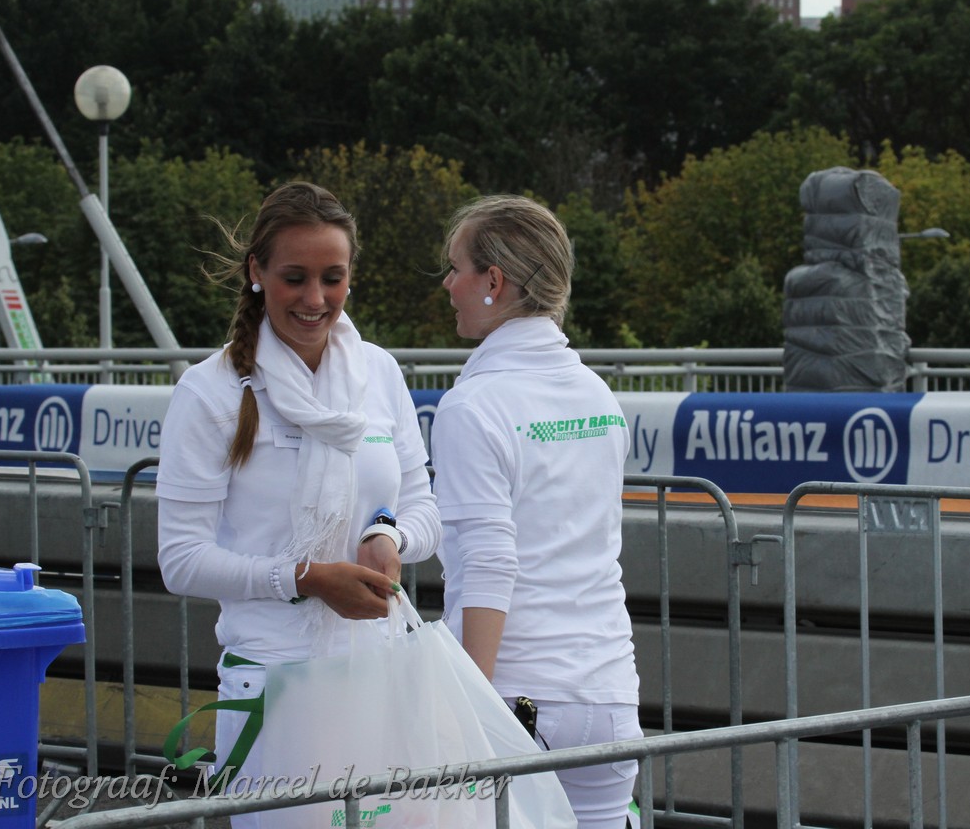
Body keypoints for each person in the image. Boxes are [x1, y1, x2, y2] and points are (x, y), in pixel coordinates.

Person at [155, 181, 440, 824]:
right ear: (256, 272)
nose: (315, 299)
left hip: (377, 675)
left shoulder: (379, 373)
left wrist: (388, 533)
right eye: (294, 278)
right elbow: (181, 559)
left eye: (332, 278)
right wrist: (305, 578)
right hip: (271, 684)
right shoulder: (209, 392)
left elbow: (425, 509)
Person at [432, 194, 642, 829]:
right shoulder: (598, 396)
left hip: (515, 698)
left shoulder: (473, 407)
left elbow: (489, 565)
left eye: (455, 268)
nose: (447, 285)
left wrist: (468, 710)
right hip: (609, 693)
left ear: (493, 281)